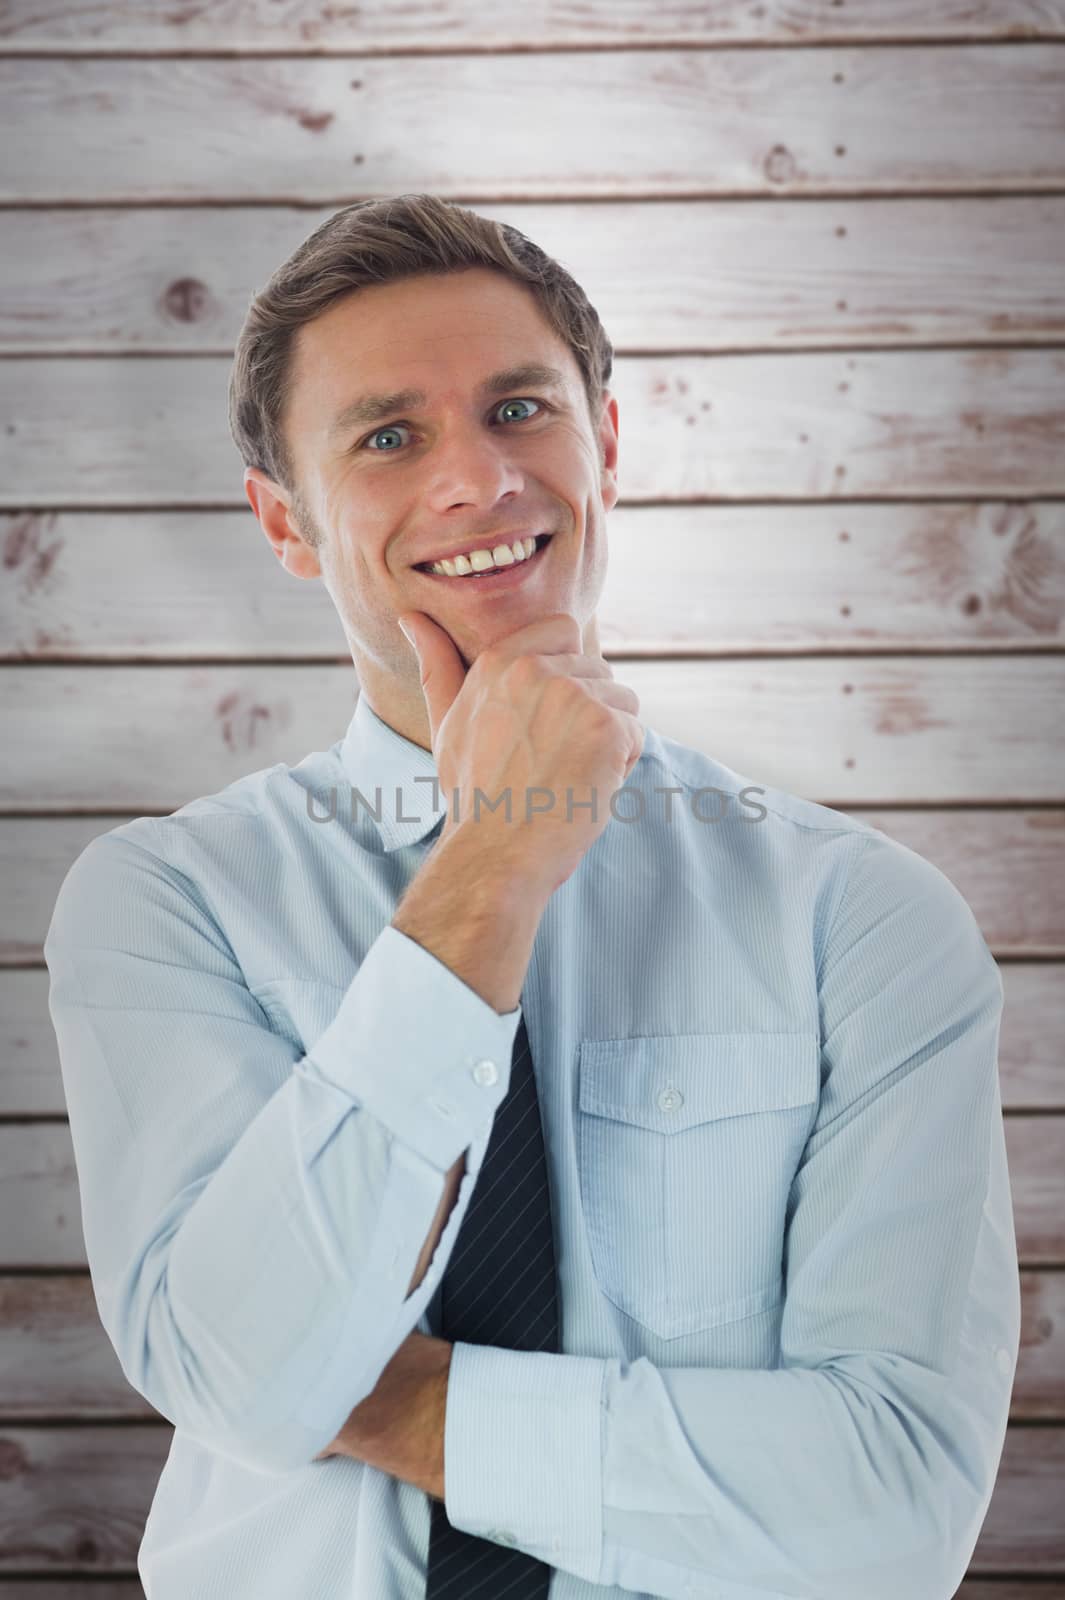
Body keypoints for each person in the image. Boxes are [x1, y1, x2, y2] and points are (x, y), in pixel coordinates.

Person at [44, 193, 1020, 1600]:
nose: (477, 480)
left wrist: (360, 1392)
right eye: (388, 437)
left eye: (518, 410)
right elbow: (241, 1380)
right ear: (286, 524)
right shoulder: (165, 901)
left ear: (604, 445)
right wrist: (494, 857)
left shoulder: (856, 919)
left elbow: (888, 1521)